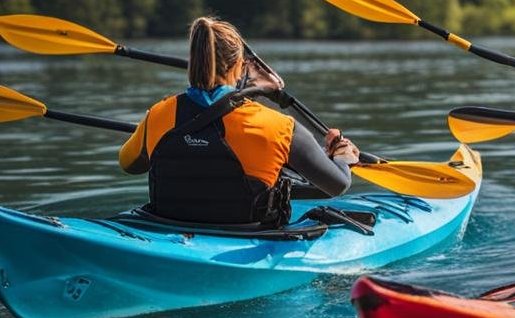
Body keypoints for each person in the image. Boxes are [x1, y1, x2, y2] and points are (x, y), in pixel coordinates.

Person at [119, 16, 360, 226]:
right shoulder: (280, 127)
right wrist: (342, 157)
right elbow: (336, 185)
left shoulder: (158, 115)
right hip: (246, 235)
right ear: (240, 66)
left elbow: (129, 164)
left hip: (167, 228)